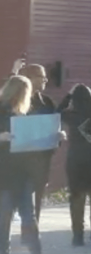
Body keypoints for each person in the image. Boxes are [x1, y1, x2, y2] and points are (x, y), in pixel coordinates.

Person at [57, 84, 91, 246]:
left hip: (76, 160)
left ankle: (77, 234)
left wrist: (68, 94)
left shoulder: (72, 115)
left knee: (77, 198)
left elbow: (57, 112)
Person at [0, 75, 43, 254]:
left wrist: (52, 138)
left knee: (21, 218)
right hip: (6, 174)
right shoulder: (3, 111)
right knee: (8, 218)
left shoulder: (22, 114)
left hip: (22, 172)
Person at [13, 61, 57, 224]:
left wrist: (57, 137)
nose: (45, 81)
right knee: (9, 203)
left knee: (34, 203)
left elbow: (53, 127)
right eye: (41, 77)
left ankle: (31, 237)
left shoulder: (47, 102)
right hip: (14, 162)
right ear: (29, 78)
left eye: (46, 78)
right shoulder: (13, 102)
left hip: (40, 161)